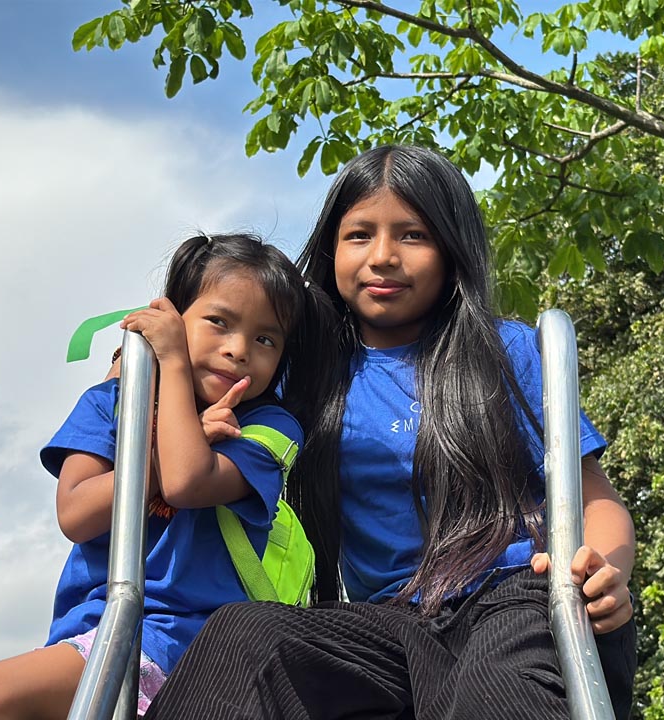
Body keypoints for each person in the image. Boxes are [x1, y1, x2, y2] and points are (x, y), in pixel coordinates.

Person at [142, 145, 638, 720]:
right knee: (245, 636)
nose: (382, 257)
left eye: (413, 236)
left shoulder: (505, 351)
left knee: (495, 691)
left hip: (513, 596)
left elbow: (593, 497)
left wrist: (605, 570)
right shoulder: (303, 371)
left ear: (452, 248)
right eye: (359, 235)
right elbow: (209, 345)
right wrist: (149, 354)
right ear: (331, 249)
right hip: (388, 624)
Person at [0, 233, 334, 719]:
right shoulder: (112, 404)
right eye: (218, 322)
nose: (238, 350)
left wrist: (173, 363)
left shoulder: (267, 428)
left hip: (192, 641)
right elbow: (76, 513)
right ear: (172, 317)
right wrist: (167, 440)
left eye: (266, 339)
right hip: (92, 628)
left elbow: (187, 482)